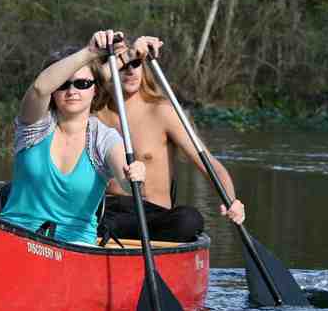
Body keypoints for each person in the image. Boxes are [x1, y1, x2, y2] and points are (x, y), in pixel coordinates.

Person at [0, 30, 146, 245]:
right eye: (63, 85)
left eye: (82, 84)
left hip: (75, 246)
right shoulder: (35, 124)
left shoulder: (104, 138)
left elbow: (126, 183)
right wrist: (89, 53)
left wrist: (136, 175)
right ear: (54, 91)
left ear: (95, 89)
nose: (72, 91)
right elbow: (40, 88)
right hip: (15, 236)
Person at [95, 35, 246, 243]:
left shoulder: (163, 112)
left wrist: (232, 200)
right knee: (88, 219)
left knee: (189, 220)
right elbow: (84, 83)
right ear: (107, 69)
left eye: (136, 62)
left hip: (154, 218)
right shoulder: (92, 116)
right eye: (122, 64)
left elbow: (210, 164)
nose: (130, 70)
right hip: (110, 214)